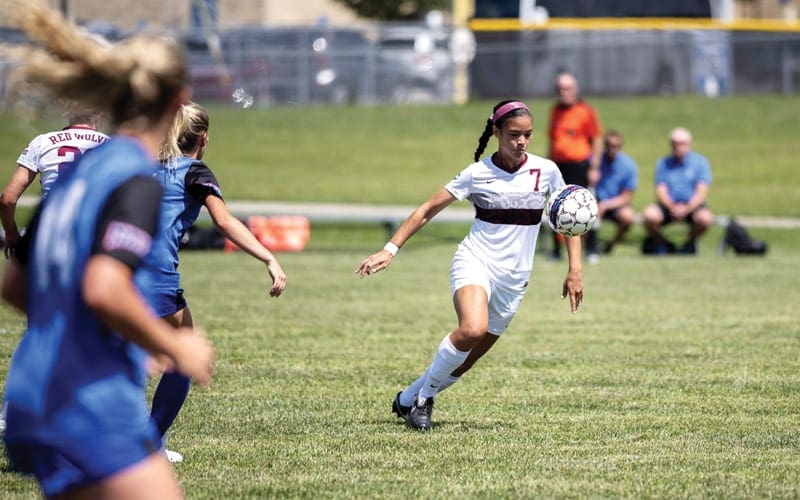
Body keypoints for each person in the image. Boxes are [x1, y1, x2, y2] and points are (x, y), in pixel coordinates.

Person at [0, 2, 214, 498]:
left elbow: (14, 282)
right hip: (89, 402)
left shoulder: (77, 175)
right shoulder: (135, 178)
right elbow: (104, 286)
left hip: (34, 394)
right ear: (179, 100)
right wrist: (173, 344)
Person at [355, 100, 585, 431]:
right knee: (471, 329)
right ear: (496, 132)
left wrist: (574, 270)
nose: (521, 142)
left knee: (465, 362)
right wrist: (390, 248)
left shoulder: (546, 170)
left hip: (514, 280)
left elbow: (568, 217)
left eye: (528, 135)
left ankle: (406, 399)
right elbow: (426, 210)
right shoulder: (477, 173)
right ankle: (424, 400)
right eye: (513, 135)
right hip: (475, 261)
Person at [147, 101, 287, 463]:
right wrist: (269, 258)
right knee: (185, 356)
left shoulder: (145, 166)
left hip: (115, 268)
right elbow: (225, 222)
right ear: (204, 138)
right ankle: (146, 445)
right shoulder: (195, 171)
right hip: (155, 275)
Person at [0, 108, 108, 258]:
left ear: (68, 112)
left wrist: (11, 234)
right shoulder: (113, 146)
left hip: (50, 231)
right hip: (93, 233)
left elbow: (7, 199)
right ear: (99, 117)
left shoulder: (42, 142)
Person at [547, 71, 604, 262]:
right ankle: (556, 251)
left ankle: (592, 249)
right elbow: (552, 140)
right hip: (558, 165)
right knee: (556, 206)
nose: (564, 92)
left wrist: (594, 167)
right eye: (560, 89)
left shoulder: (585, 111)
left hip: (580, 166)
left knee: (586, 206)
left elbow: (596, 139)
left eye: (568, 88)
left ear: (575, 90)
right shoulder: (555, 111)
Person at [642, 127, 714, 255]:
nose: (677, 147)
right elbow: (660, 189)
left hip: (692, 205)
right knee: (649, 215)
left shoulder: (700, 162)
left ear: (689, 144)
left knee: (705, 218)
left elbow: (701, 191)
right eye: (674, 143)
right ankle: (663, 244)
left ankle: (689, 244)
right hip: (668, 205)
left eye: (681, 144)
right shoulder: (663, 163)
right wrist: (672, 207)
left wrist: (687, 208)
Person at [594, 130, 639, 254]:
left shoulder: (628, 165)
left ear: (620, 146)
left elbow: (627, 196)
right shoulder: (596, 162)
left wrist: (606, 205)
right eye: (609, 145)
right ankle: (592, 245)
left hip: (616, 204)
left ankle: (612, 243)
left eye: (615, 146)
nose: (612, 149)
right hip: (595, 201)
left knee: (628, 217)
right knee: (586, 215)